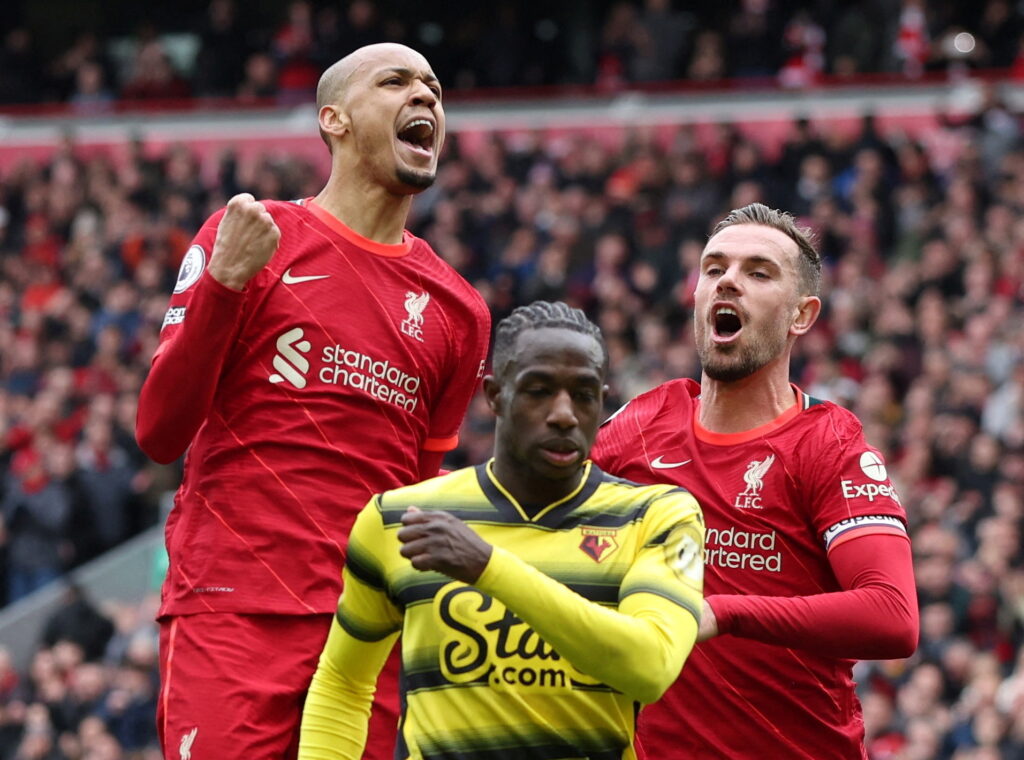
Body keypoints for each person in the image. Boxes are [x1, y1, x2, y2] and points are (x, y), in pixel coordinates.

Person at [135, 43, 491, 760]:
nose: (425, 97)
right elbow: (159, 432)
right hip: (236, 613)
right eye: (395, 82)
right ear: (333, 119)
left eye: (435, 89)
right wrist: (224, 286)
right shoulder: (255, 238)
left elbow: (420, 494)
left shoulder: (461, 311)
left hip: (368, 638)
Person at [298, 301, 705, 760]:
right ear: (494, 395)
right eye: (539, 391)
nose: (564, 414)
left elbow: (649, 668)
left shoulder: (657, 515)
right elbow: (343, 682)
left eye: (584, 394)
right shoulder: (397, 519)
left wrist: (488, 568)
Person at [592, 203, 919, 760]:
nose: (729, 282)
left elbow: (892, 616)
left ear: (801, 316)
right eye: (714, 268)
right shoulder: (643, 424)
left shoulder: (828, 443)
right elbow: (527, 503)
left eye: (758, 272)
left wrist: (724, 611)